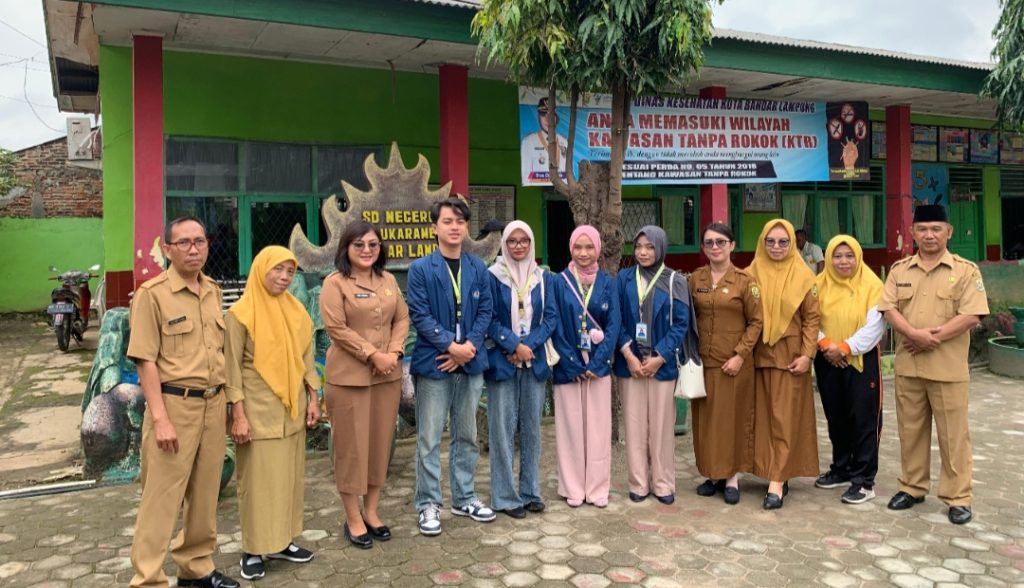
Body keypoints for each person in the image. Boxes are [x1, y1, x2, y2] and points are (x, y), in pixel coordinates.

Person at [126, 216, 239, 588]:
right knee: (161, 499)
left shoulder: (213, 291)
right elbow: (145, 360)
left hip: (212, 405)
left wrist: (229, 405)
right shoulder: (152, 294)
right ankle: (148, 579)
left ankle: (195, 567)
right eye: (184, 243)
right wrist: (160, 419)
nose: (194, 249)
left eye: (200, 241)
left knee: (205, 495)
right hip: (174, 406)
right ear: (168, 249)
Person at [878, 204, 989, 525]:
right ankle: (912, 487)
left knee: (954, 436)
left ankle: (958, 497)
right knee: (910, 431)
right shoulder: (900, 270)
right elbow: (888, 307)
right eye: (923, 229)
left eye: (936, 229)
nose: (929, 235)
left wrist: (931, 338)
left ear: (948, 232)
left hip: (947, 368)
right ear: (913, 233)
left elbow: (972, 314)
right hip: (909, 366)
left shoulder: (965, 271)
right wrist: (913, 334)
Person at [225, 246, 320, 579]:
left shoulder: (296, 311)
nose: (284, 277)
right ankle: (253, 549)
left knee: (289, 479)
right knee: (258, 482)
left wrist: (314, 397)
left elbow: (307, 359)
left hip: (292, 409)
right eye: (277, 269)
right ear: (260, 270)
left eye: (290, 271)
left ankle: (283, 541)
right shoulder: (239, 314)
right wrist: (238, 415)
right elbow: (231, 370)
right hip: (257, 412)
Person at [407, 197, 495, 536]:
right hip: (434, 363)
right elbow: (420, 314)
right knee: (429, 438)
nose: (455, 227)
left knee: (467, 434)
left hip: (470, 362)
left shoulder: (478, 267)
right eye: (447, 221)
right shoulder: (420, 269)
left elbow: (486, 310)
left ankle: (465, 497)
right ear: (435, 227)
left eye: (460, 221)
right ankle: (428, 503)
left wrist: (468, 346)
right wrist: (450, 346)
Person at [320, 220, 410, 547]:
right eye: (358, 244)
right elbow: (336, 328)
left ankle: (371, 511)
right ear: (346, 248)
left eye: (373, 244)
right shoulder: (335, 283)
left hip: (386, 378)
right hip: (349, 380)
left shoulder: (388, 281)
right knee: (351, 451)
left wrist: (395, 352)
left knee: (378, 446)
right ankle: (353, 517)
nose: (367, 250)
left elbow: (402, 318)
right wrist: (373, 355)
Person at [614, 226, 691, 505]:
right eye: (638, 247)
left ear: (661, 248)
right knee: (634, 427)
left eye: (649, 247)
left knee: (661, 428)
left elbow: (680, 324)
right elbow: (616, 320)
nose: (643, 252)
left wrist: (660, 356)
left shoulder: (675, 281)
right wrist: (629, 355)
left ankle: (663, 483)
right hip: (631, 365)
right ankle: (638, 483)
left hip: (662, 366)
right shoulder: (623, 279)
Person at [747, 219, 821, 510]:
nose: (776, 247)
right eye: (770, 241)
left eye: (783, 242)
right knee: (761, 419)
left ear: (793, 243)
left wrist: (807, 355)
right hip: (756, 357)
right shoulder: (750, 273)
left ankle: (777, 480)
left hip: (790, 358)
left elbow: (812, 320)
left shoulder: (805, 277)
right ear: (762, 242)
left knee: (784, 419)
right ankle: (770, 470)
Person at [485, 220, 556, 518]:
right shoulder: (492, 276)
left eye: (524, 240)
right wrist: (514, 345)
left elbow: (550, 318)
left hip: (534, 361)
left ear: (531, 243)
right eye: (512, 241)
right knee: (502, 431)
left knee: (531, 429)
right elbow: (488, 318)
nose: (518, 246)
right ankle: (504, 496)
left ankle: (530, 492)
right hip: (503, 362)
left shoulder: (542, 278)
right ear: (504, 244)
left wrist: (529, 346)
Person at [689, 223, 763, 506]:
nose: (715, 247)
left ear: (732, 245)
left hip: (733, 365)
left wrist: (740, 355)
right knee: (706, 422)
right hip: (703, 363)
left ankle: (731, 476)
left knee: (732, 420)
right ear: (703, 247)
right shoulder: (695, 279)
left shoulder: (746, 281)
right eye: (709, 242)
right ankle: (712, 474)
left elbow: (756, 322)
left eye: (721, 242)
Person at [549, 225, 621, 508]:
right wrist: (572, 364)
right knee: (570, 429)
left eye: (589, 247)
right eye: (578, 247)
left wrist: (599, 361)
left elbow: (614, 326)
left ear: (598, 249)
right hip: (569, 369)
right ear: (570, 248)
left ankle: (597, 487)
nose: (583, 253)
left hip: (598, 369)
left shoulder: (608, 283)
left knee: (598, 430)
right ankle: (573, 487)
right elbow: (554, 324)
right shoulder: (559, 282)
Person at [813, 235, 885, 505]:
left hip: (861, 360)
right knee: (836, 416)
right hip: (827, 359)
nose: (843, 261)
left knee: (864, 418)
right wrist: (826, 345)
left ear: (858, 257)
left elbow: (875, 326)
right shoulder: (818, 285)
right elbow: (809, 319)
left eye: (849, 255)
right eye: (837, 256)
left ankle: (864, 480)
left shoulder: (872, 285)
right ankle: (841, 468)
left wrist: (845, 348)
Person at [521, 97, 568, 185]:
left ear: (556, 117)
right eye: (543, 114)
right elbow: (524, 176)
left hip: (562, 188)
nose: (547, 119)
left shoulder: (564, 142)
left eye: (550, 115)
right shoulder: (528, 142)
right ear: (538, 117)